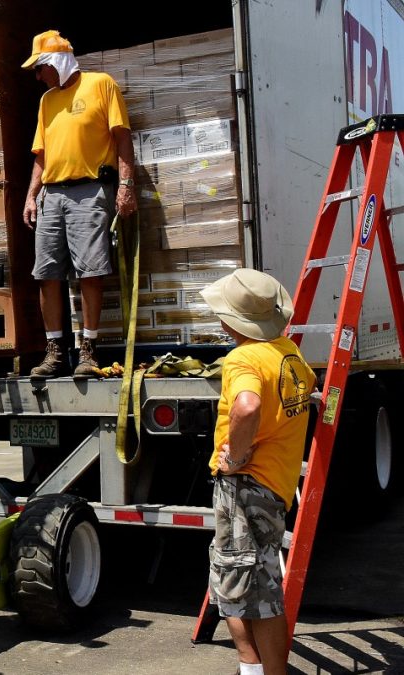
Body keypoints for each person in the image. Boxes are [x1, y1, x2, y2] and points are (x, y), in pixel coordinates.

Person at [201, 268, 315, 675]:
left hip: (245, 487)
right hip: (274, 487)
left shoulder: (243, 358)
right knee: (250, 583)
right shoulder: (289, 353)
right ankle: (252, 669)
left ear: (231, 321)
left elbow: (247, 406)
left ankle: (262, 671)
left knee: (247, 587)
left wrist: (236, 454)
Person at [20, 30, 137, 378]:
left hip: (90, 189)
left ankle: (88, 351)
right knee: (46, 273)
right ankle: (55, 352)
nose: (38, 76)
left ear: (56, 61)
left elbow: (123, 139)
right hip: (51, 194)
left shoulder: (101, 85)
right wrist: (31, 194)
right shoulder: (46, 102)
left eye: (40, 68)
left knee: (91, 271)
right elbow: (40, 155)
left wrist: (126, 184)